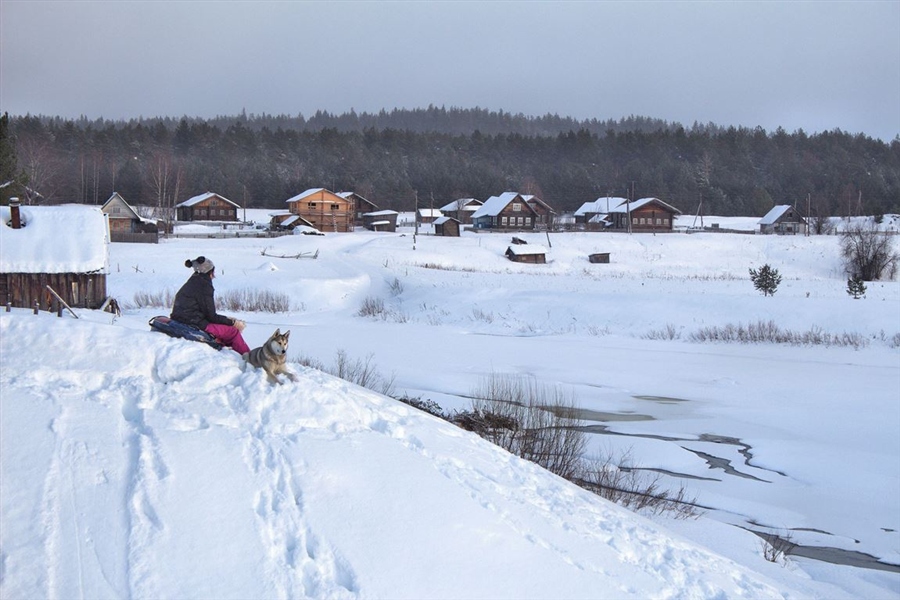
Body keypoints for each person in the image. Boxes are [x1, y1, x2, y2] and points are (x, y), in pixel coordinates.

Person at [170, 256, 250, 355]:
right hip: (194, 323)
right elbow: (211, 316)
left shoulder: (192, 282)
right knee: (232, 332)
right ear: (210, 272)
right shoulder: (204, 285)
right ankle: (250, 358)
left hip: (182, 319)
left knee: (222, 330)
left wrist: (227, 320)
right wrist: (233, 322)